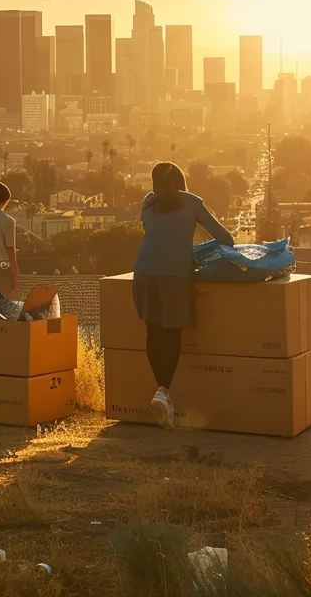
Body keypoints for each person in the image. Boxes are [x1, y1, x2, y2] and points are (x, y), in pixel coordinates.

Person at [132, 162, 234, 429]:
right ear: (180, 179)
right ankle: (164, 390)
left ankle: (161, 391)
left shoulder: (148, 204)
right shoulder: (192, 202)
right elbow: (226, 238)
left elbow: (154, 233)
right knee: (172, 333)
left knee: (153, 333)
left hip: (143, 272)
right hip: (174, 274)